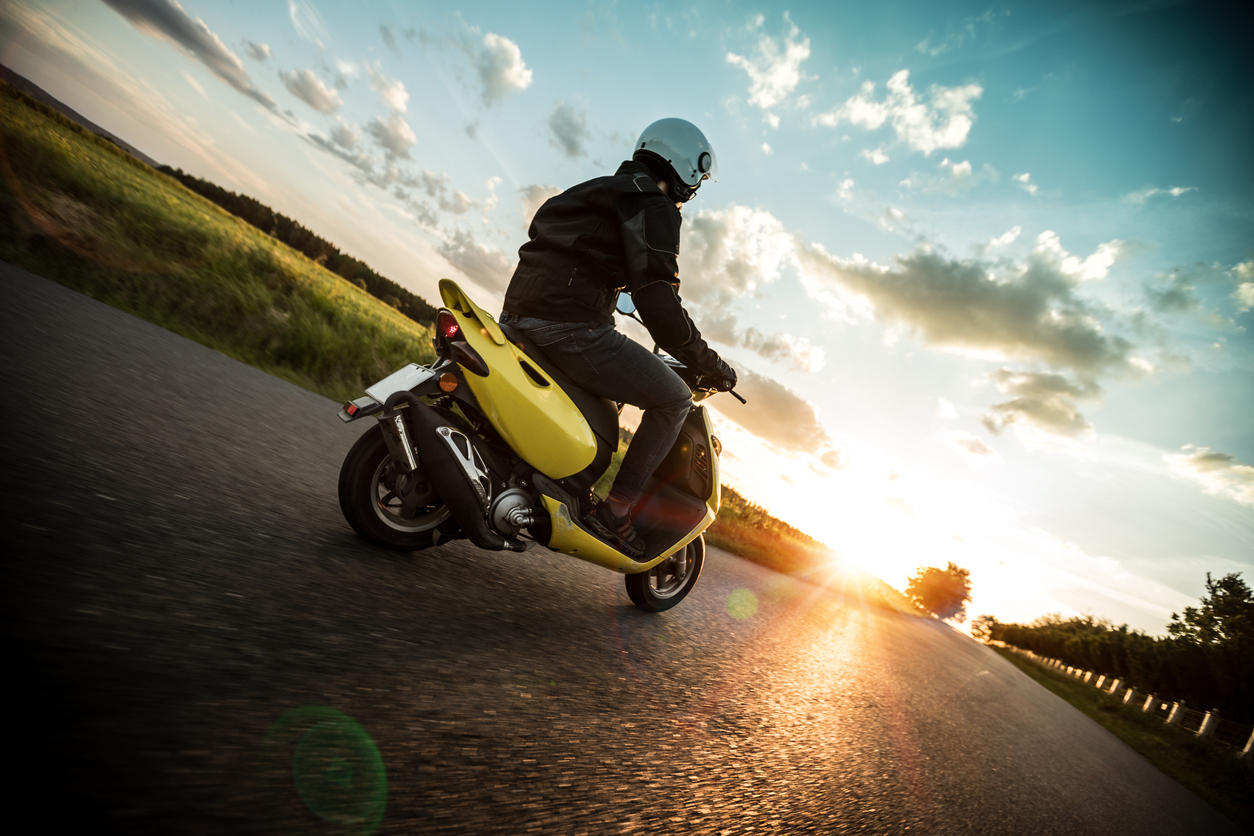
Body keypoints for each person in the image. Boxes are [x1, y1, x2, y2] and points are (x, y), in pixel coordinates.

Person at [499, 118, 736, 559]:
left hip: (516, 316)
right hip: (572, 329)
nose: (695, 189)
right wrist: (707, 361)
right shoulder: (653, 205)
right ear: (685, 165)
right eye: (698, 179)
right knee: (674, 398)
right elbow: (658, 300)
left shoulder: (593, 190)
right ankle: (617, 512)